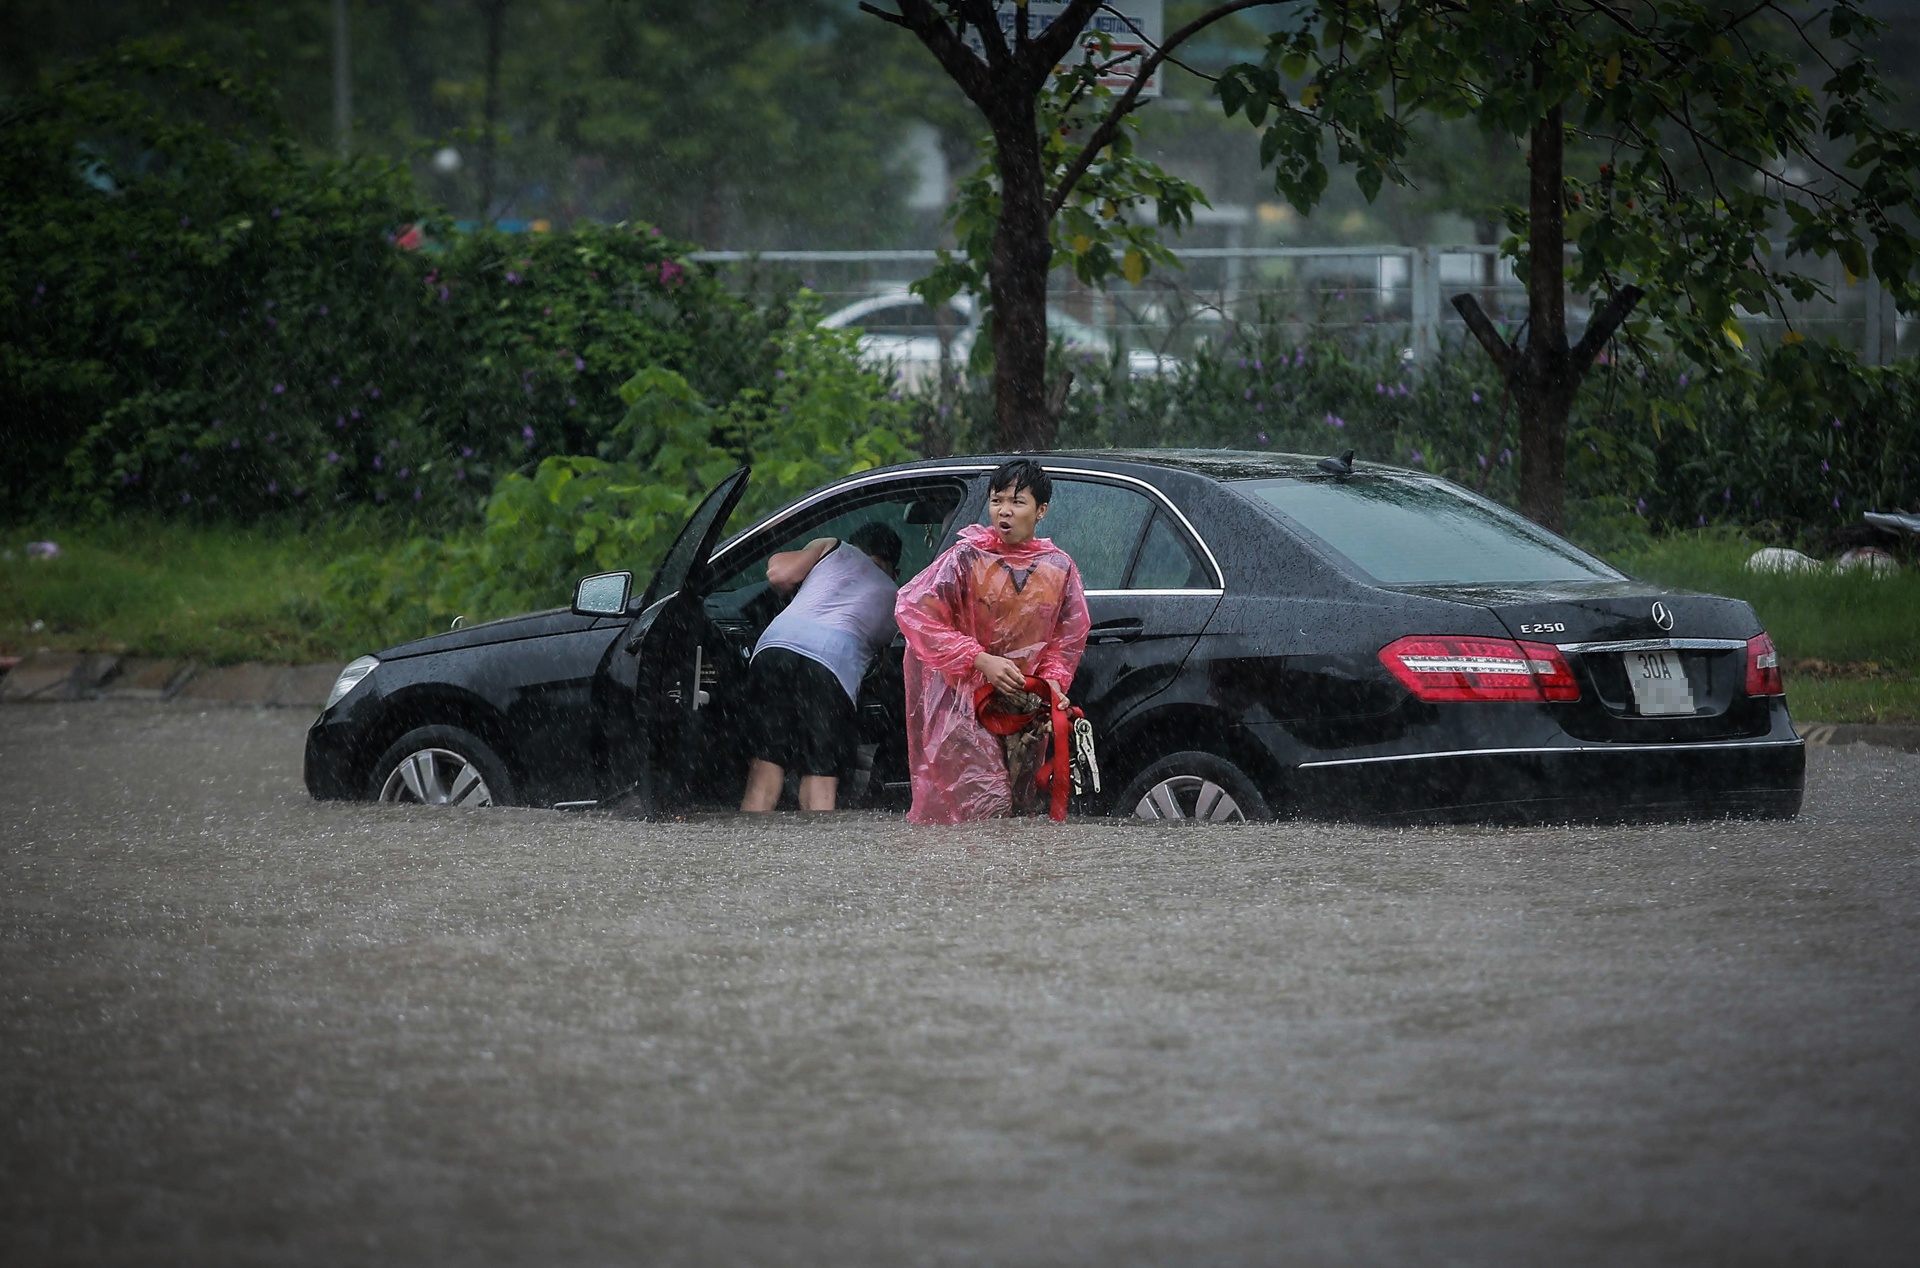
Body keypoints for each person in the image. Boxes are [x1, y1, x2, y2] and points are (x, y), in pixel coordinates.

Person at [894, 459, 1091, 823]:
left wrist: (1052, 683)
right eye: (997, 500)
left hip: (1022, 706)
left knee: (1019, 807)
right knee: (986, 805)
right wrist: (979, 659)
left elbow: (1066, 639)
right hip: (962, 704)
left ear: (1041, 510)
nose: (1005, 511)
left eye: (1017, 502)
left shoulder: (1059, 567)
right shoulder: (965, 558)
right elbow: (913, 611)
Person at [740, 521, 902, 813]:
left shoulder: (832, 547)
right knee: (820, 774)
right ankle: (817, 854)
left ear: (855, 545)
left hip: (774, 649)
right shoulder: (899, 599)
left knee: (767, 765)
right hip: (831, 665)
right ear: (895, 569)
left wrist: (803, 554)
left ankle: (744, 852)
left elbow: (779, 575)